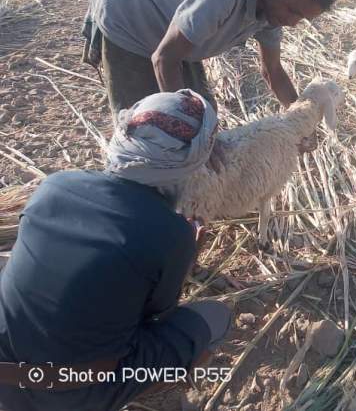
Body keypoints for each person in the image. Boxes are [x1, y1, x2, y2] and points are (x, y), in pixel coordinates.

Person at [0, 90, 231, 411]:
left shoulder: (54, 185)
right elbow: (157, 314)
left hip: (5, 377)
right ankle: (160, 394)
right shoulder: (171, 233)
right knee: (216, 317)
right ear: (189, 163)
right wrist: (185, 256)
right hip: (74, 393)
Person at [81, 0, 338, 122]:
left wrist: (300, 121)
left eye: (301, 18)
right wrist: (187, 129)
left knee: (205, 118)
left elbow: (273, 71)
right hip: (129, 13)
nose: (292, 23)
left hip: (174, 30)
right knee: (148, 128)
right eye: (292, 11)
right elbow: (165, 58)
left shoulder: (273, 11)